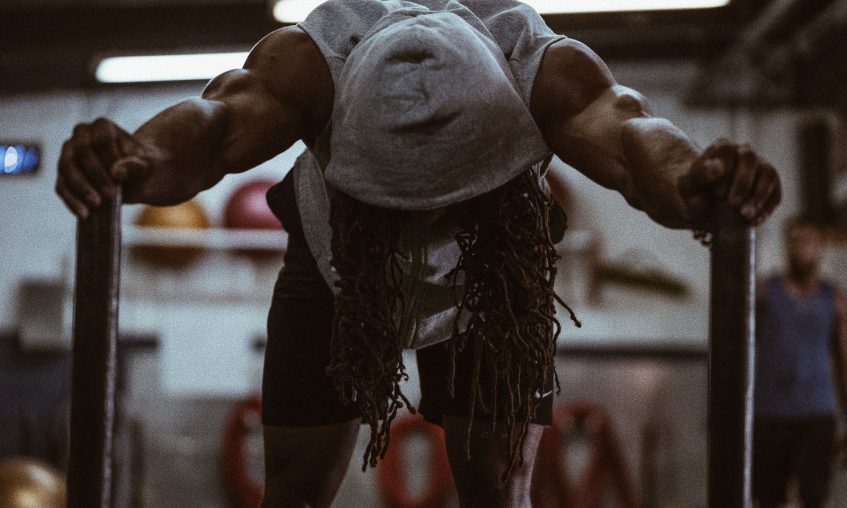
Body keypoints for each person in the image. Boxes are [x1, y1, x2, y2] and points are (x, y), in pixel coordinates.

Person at [55, 1, 781, 506]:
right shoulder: (315, 60)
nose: (420, 223)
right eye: (401, 204)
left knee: (497, 491)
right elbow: (214, 128)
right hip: (339, 259)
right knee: (294, 492)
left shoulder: (538, 69)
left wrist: (693, 178)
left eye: (439, 201)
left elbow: (629, 138)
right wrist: (138, 157)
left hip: (496, 262)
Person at [753, 216, 847, 508]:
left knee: (814, 497)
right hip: (771, 412)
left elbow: (844, 359)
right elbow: (739, 349)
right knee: (769, 497)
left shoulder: (834, 299)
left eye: (809, 241)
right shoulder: (764, 292)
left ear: (820, 247)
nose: (802, 248)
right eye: (795, 241)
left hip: (817, 413)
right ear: (786, 246)